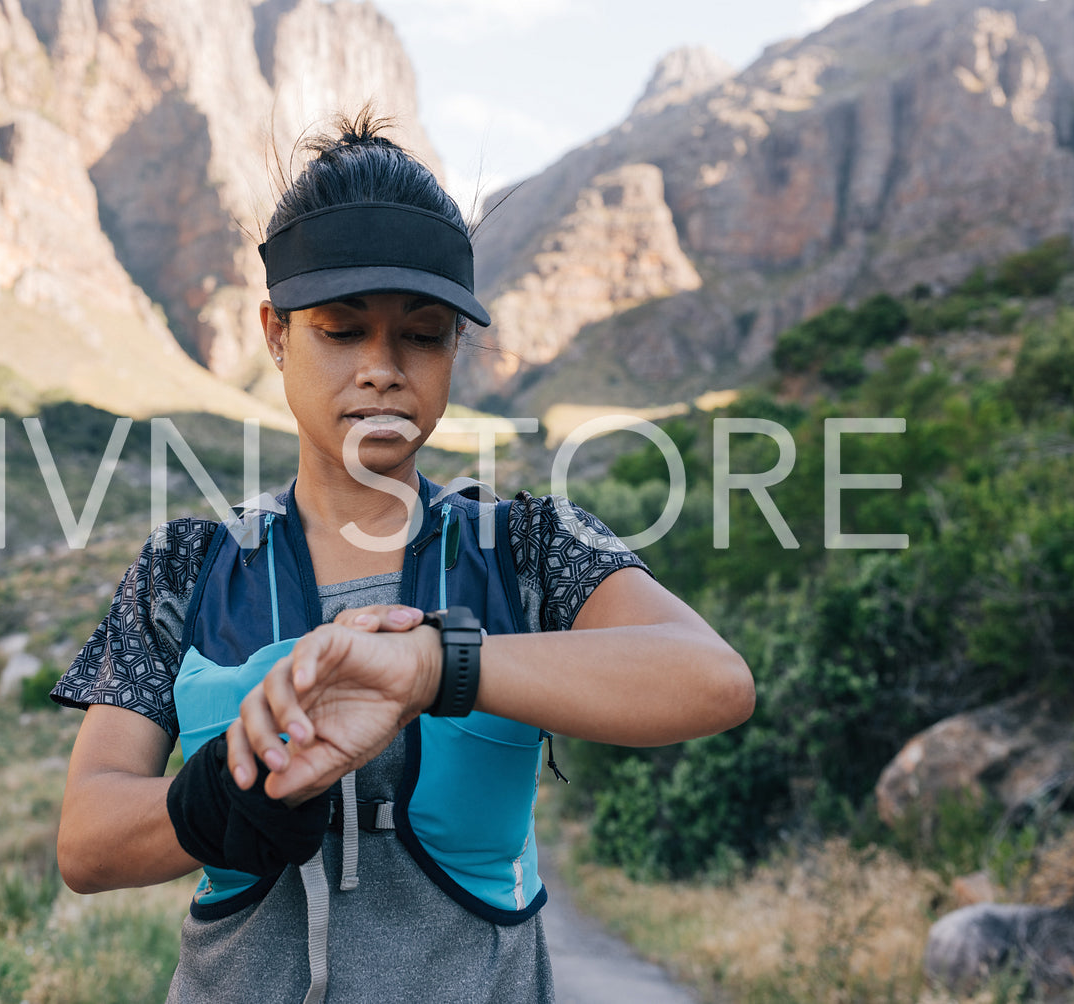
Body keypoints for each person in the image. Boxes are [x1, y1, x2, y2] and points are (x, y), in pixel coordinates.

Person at [51, 110, 755, 1003]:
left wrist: (434, 667)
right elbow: (86, 841)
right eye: (341, 330)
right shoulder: (186, 569)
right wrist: (236, 795)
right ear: (275, 332)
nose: (383, 368)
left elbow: (711, 680)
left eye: (421, 335)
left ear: (455, 348)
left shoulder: (528, 548)